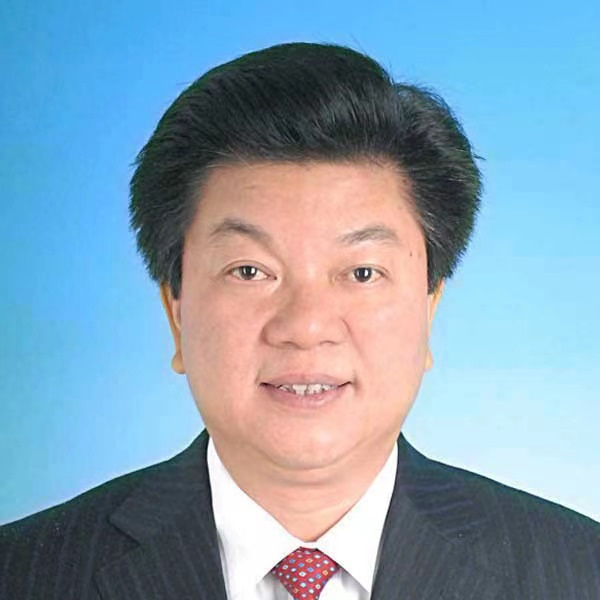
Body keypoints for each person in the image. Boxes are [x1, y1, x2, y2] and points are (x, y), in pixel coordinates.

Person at [1, 41, 598, 600]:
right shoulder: (24, 572)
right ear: (176, 313)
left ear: (429, 307)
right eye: (250, 271)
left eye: (361, 272)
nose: (307, 326)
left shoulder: (577, 571)